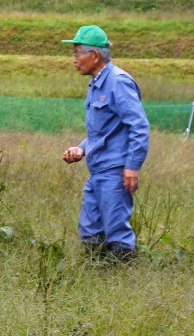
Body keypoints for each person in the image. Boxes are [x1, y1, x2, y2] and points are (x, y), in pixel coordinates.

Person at [61, 25, 150, 260]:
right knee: (90, 231)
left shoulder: (118, 82)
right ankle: (96, 279)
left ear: (95, 55)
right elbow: (102, 132)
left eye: (78, 53)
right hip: (98, 170)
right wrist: (81, 147)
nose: (74, 60)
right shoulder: (96, 84)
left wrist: (132, 166)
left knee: (116, 233)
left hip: (115, 170)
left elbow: (139, 127)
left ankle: (124, 282)